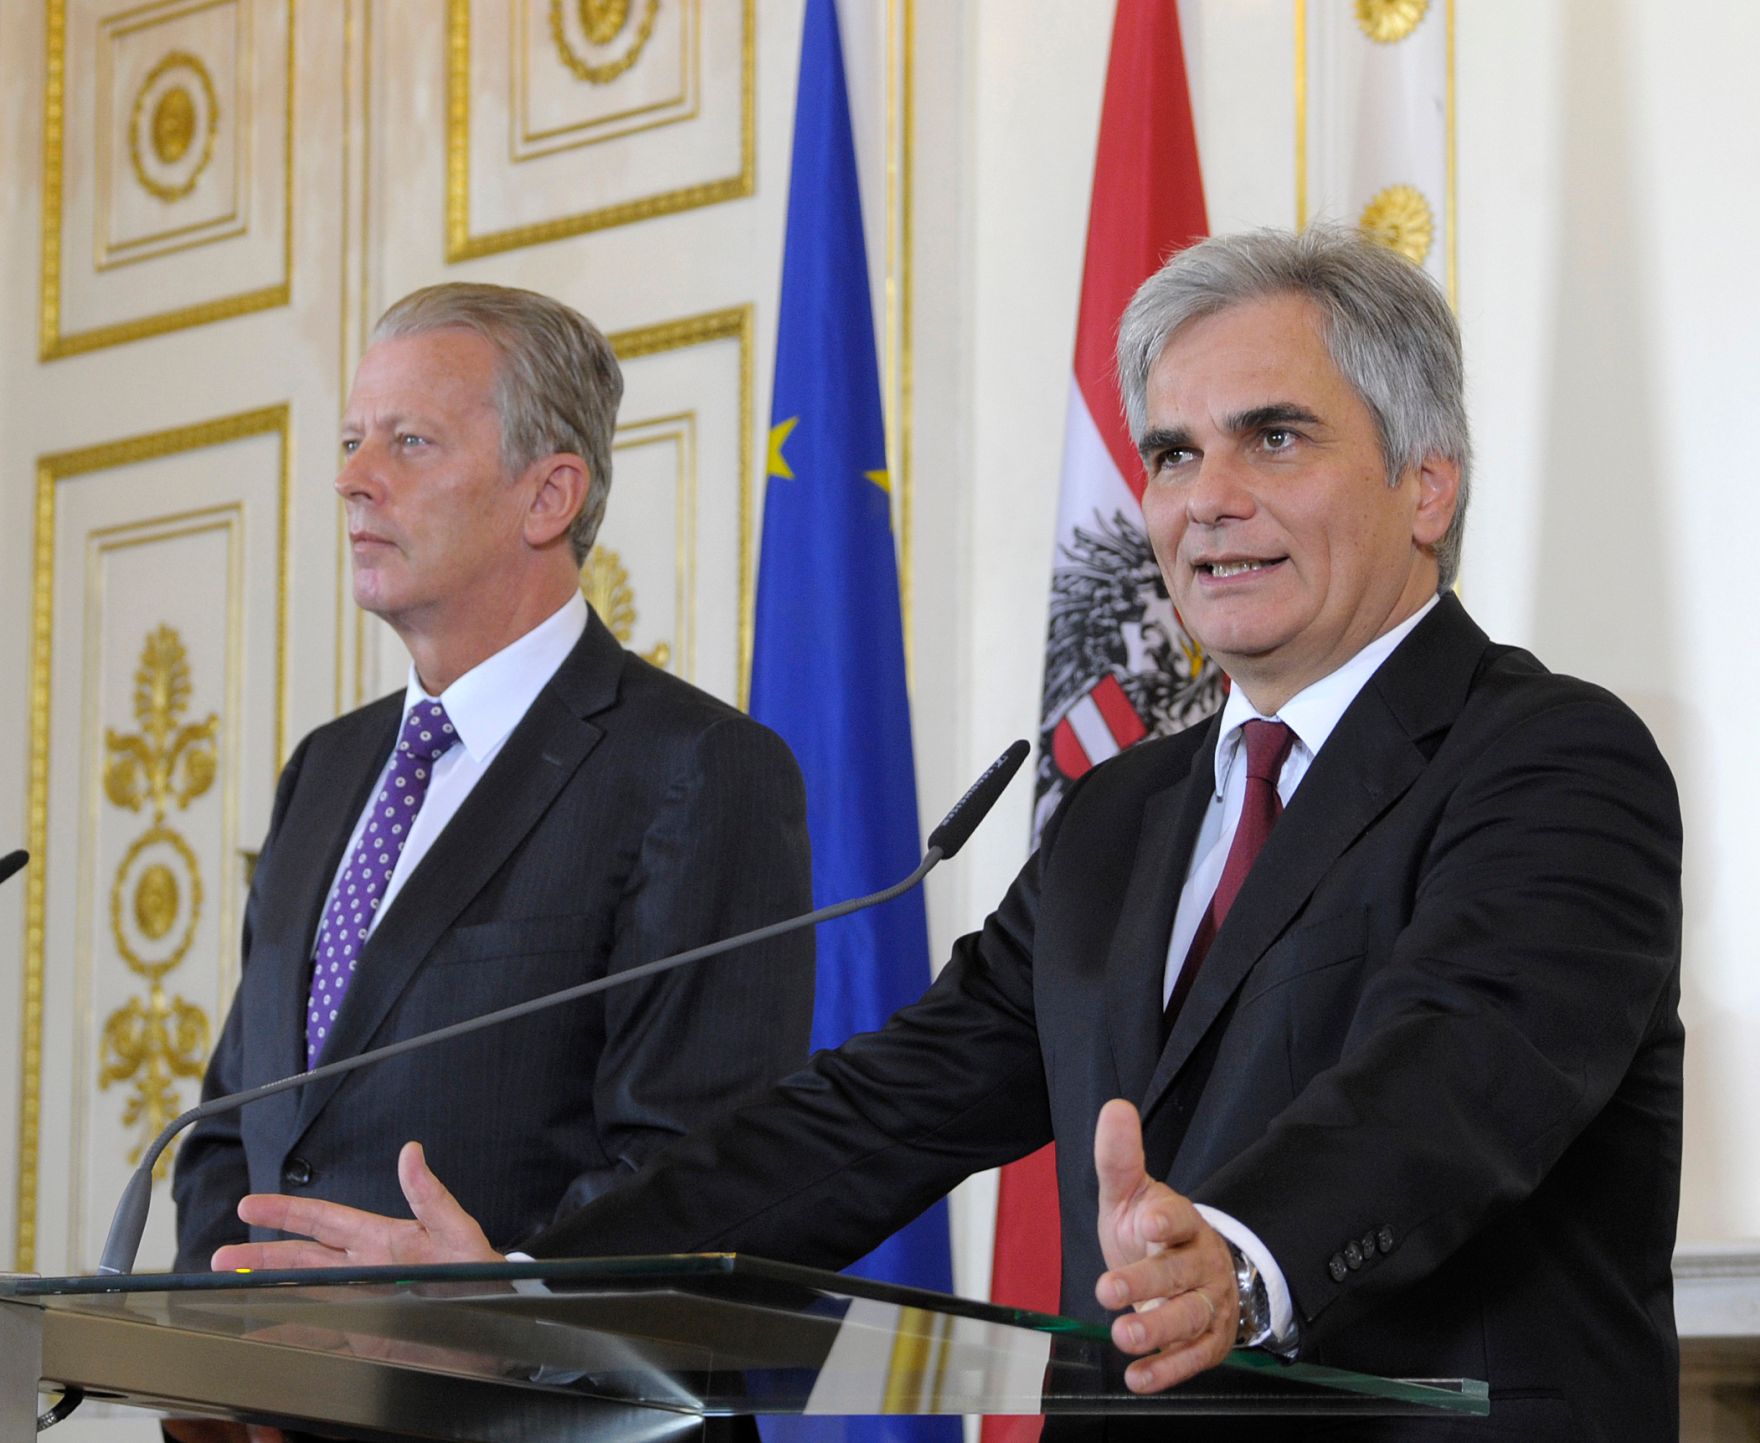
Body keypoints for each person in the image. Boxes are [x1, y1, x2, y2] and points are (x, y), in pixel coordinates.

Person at [209, 231, 1683, 1442]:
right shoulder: (1122, 814)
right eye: (1171, 455)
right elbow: (875, 1114)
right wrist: (533, 1290)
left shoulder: (1551, 758)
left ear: (1427, 481)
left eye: (1273, 437)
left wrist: (1240, 1257)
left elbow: (1458, 1073)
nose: (1207, 500)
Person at [172, 282, 815, 1276]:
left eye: (409, 442)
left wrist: (491, 1300)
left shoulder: (696, 769)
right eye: (351, 441)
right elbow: (233, 1125)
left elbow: (687, 1173)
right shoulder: (326, 768)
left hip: (516, 1371)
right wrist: (220, 1331)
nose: (353, 479)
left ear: (548, 495)